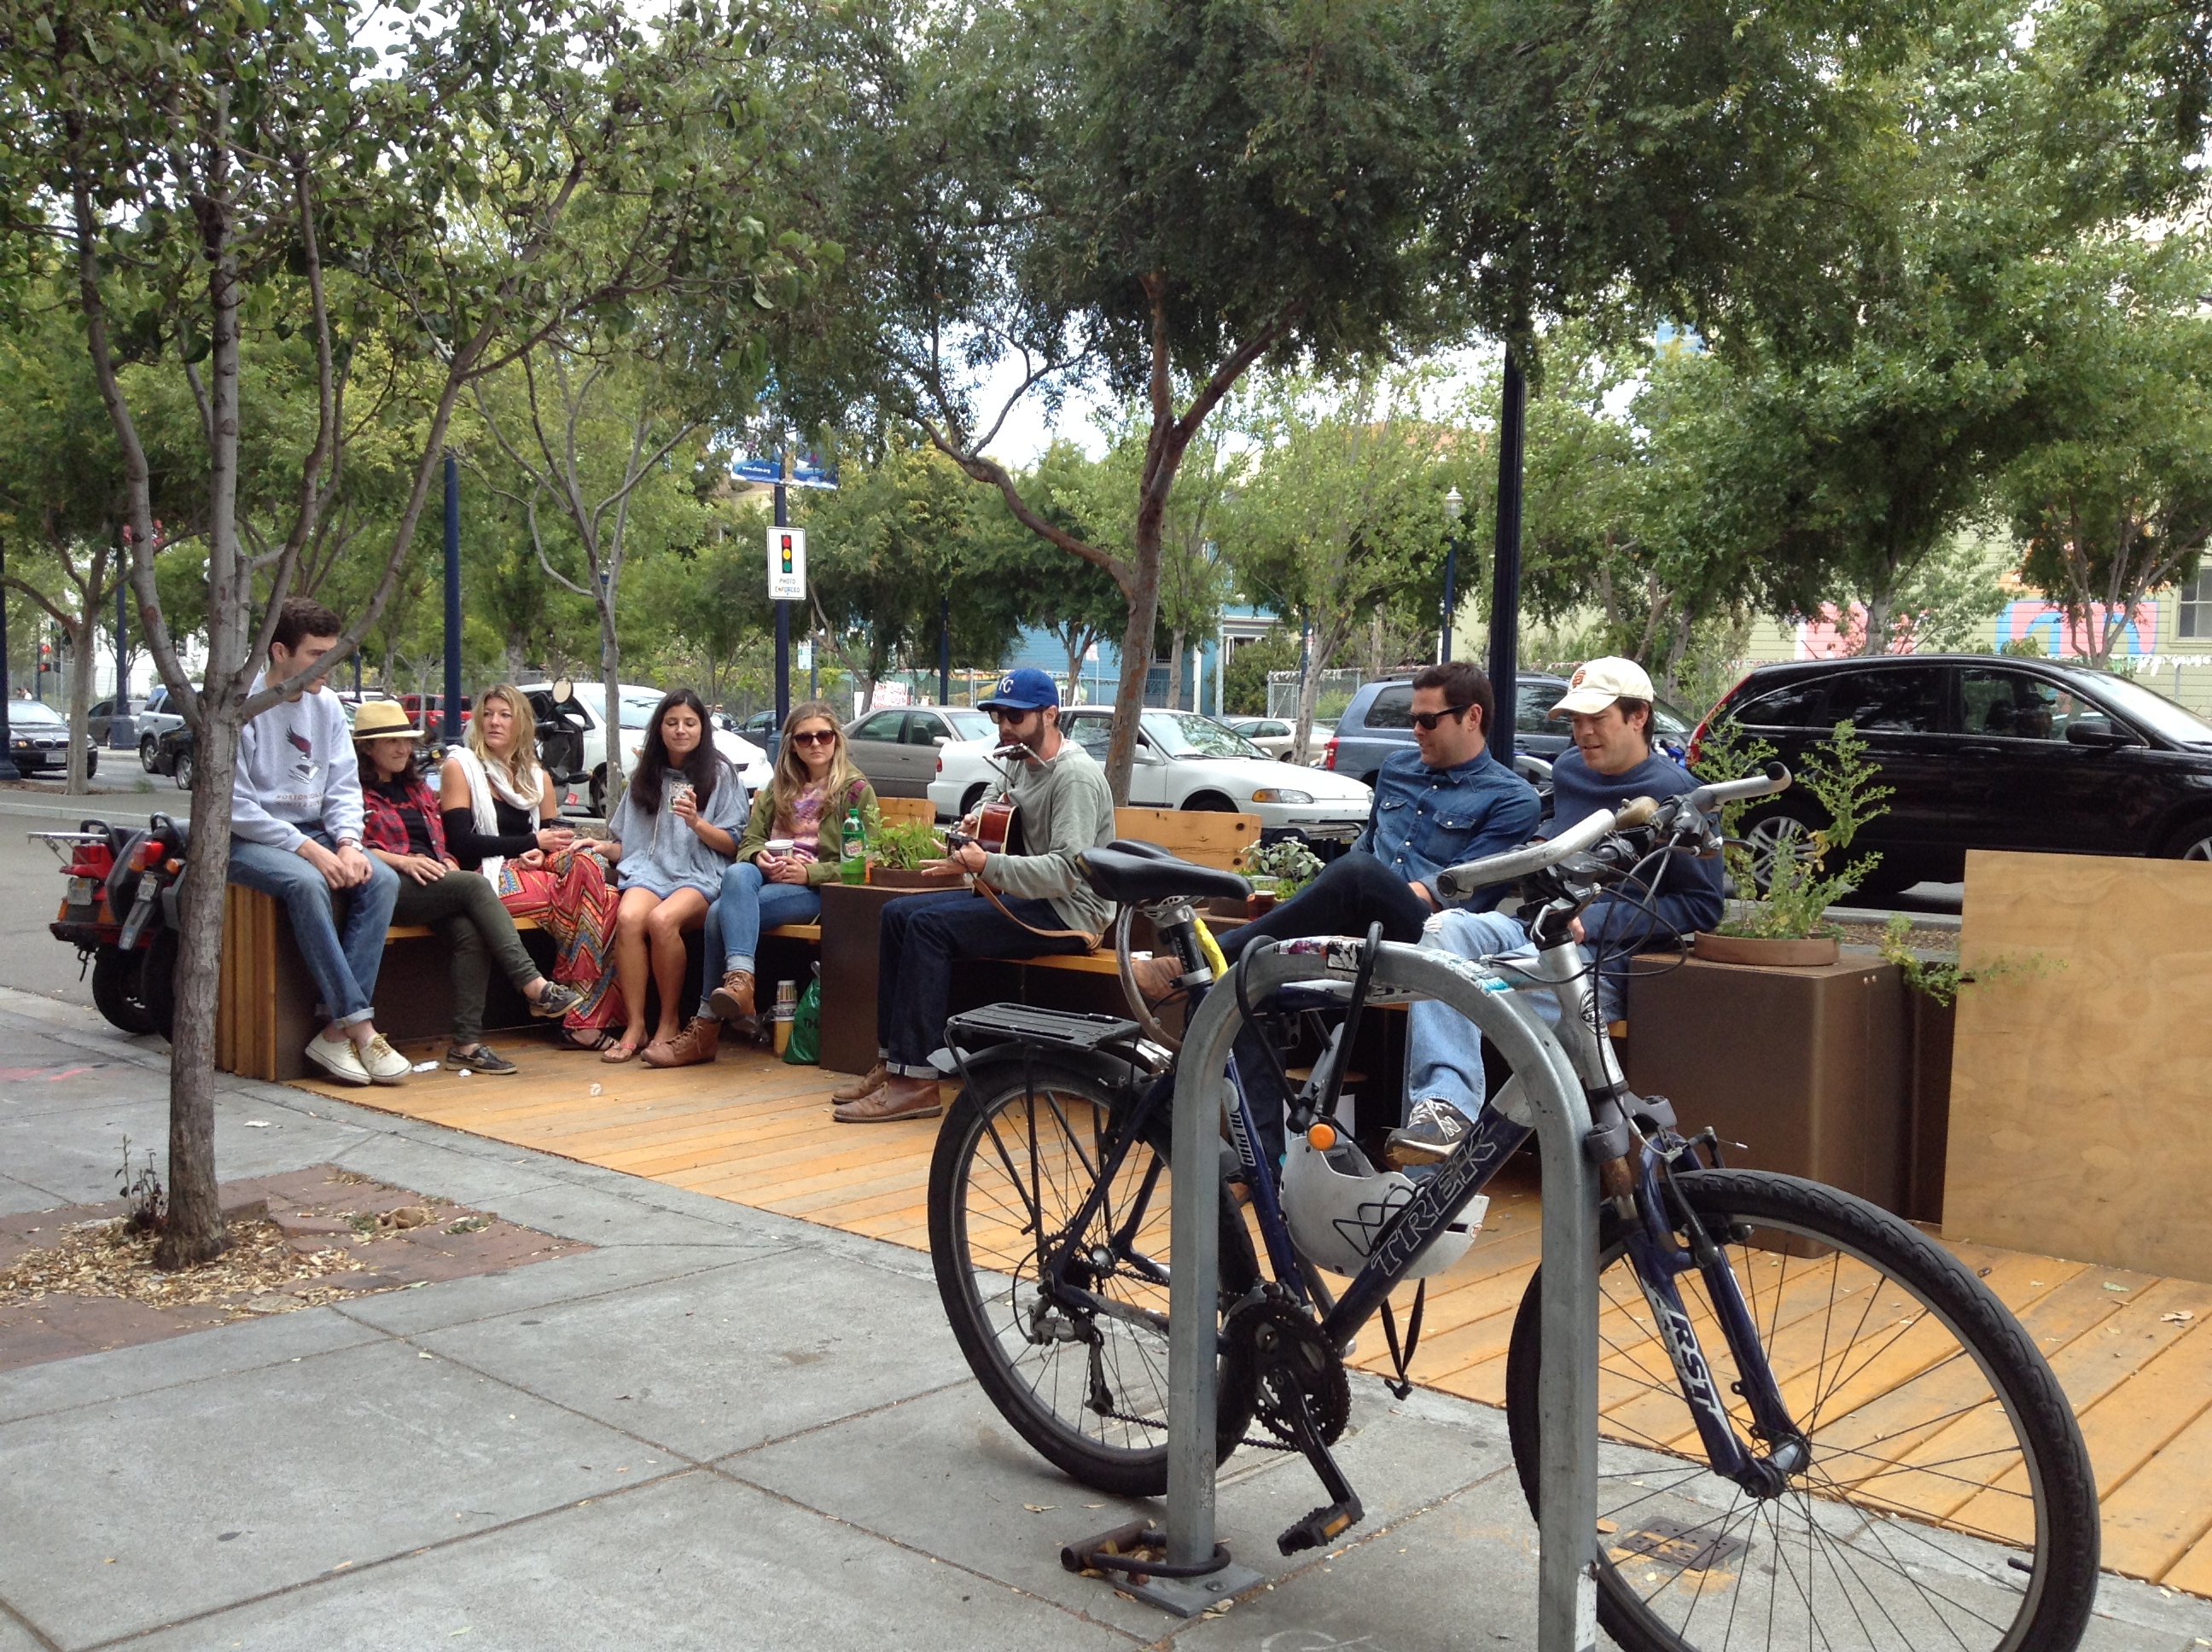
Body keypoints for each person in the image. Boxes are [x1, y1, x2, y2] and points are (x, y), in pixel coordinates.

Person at [1127, 661, 1540, 1160]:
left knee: (1358, 875)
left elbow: (1462, 892)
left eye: (1428, 720)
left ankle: (1195, 961)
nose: (1415, 730)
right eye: (1412, 719)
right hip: (1358, 925)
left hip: (1430, 938)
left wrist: (1360, 883)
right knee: (1246, 982)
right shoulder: (1397, 770)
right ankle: (1262, 1166)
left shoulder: (1512, 798)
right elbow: (1365, 848)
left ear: (1472, 717)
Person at [1388, 656, 1725, 1166]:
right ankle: (1444, 1110)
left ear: (1638, 716)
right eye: (1575, 720)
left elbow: (1702, 904)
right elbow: (1555, 832)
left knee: (1463, 984)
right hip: (1533, 932)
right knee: (1445, 931)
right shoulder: (1569, 769)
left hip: (1596, 967)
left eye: (1597, 719)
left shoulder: (1680, 794)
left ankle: (1441, 1167)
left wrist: (1596, 919)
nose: (1583, 733)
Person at [831, 667, 1115, 1124]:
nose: (1005, 726)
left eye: (1015, 717)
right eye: (998, 716)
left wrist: (985, 865)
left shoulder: (1073, 777)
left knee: (928, 927)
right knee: (896, 915)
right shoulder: (1019, 759)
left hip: (1070, 912)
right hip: (1024, 895)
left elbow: (1066, 874)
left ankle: (916, 1083)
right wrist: (975, 822)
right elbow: (993, 800)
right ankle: (894, 1061)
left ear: (1050, 715)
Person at [225, 598, 408, 1087]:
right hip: (248, 839)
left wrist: (348, 842)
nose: (327, 666)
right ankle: (361, 1028)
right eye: (315, 654)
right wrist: (308, 849)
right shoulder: (242, 707)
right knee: (307, 884)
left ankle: (333, 1031)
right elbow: (236, 808)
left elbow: (343, 787)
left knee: (382, 880)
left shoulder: (326, 706)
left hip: (318, 832)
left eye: (333, 654)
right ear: (280, 651)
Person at [354, 701, 582, 1072]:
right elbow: (349, 844)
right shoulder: (354, 790)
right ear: (367, 747)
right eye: (391, 741)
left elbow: (440, 839)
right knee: (475, 886)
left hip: (432, 884)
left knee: (470, 933)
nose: (402, 749)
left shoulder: (415, 788)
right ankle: (534, 986)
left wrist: (445, 859)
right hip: (387, 886)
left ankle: (466, 1044)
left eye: (406, 741)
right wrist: (401, 861)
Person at [441, 683, 626, 1049]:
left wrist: (540, 853)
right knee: (602, 905)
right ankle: (580, 1020)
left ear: (522, 724)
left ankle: (565, 1002)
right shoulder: (460, 767)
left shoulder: (536, 776)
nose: (494, 722)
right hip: (484, 877)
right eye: (488, 714)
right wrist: (529, 844)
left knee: (589, 866)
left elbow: (549, 840)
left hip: (531, 870)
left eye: (504, 715)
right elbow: (460, 843)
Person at [701, 701, 881, 1039]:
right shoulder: (779, 786)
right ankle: (741, 985)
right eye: (804, 738)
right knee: (737, 874)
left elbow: (869, 860)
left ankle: (707, 1022)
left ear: (836, 740)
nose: (815, 744)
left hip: (815, 890)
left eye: (823, 736)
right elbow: (749, 841)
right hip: (767, 877)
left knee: (716, 914)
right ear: (793, 745)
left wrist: (810, 874)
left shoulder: (855, 791)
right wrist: (758, 856)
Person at [598, 689, 747, 1067]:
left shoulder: (721, 773)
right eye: (672, 722)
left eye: (690, 723)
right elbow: (629, 844)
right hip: (652, 870)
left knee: (662, 920)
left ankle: (669, 1022)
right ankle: (636, 1026)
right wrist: (599, 847)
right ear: (660, 728)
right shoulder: (646, 773)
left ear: (702, 728)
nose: (681, 730)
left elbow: (733, 844)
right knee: (629, 917)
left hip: (701, 872)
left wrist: (696, 822)